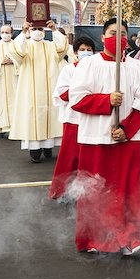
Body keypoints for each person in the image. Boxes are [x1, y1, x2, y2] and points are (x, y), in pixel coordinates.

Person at [68, 21, 140, 255]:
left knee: (127, 188)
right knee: (95, 189)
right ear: (103, 36)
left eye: (123, 34)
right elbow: (77, 98)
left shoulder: (137, 67)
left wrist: (126, 130)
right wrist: (106, 100)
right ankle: (95, 238)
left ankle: (131, 236)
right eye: (112, 33)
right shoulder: (88, 65)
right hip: (94, 137)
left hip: (127, 139)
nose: (118, 38)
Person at [10, 20, 69, 162]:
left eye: (40, 29)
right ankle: (35, 150)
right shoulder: (26, 45)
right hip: (30, 89)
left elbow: (62, 49)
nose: (37, 31)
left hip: (49, 86)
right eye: (34, 28)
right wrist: (23, 32)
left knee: (50, 115)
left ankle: (48, 147)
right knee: (33, 117)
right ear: (30, 31)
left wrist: (54, 30)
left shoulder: (50, 46)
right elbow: (16, 52)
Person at [49, 36, 96, 200]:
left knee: (90, 157)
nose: (86, 52)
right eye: (82, 50)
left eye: (89, 50)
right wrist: (81, 94)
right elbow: (62, 92)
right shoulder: (69, 70)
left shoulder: (98, 69)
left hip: (93, 119)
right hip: (73, 119)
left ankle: (88, 192)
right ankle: (62, 191)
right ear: (75, 52)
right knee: (69, 156)